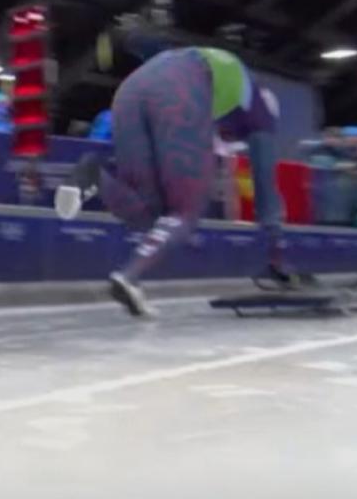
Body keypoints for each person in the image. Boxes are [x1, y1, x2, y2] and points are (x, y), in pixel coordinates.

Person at [55, 24, 286, 318]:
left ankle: (94, 174)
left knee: (148, 213)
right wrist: (276, 252)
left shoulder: (220, 75)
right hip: (180, 90)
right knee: (186, 212)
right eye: (231, 140)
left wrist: (128, 37)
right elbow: (266, 184)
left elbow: (159, 52)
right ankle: (129, 276)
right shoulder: (261, 114)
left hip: (131, 90)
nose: (226, 143)